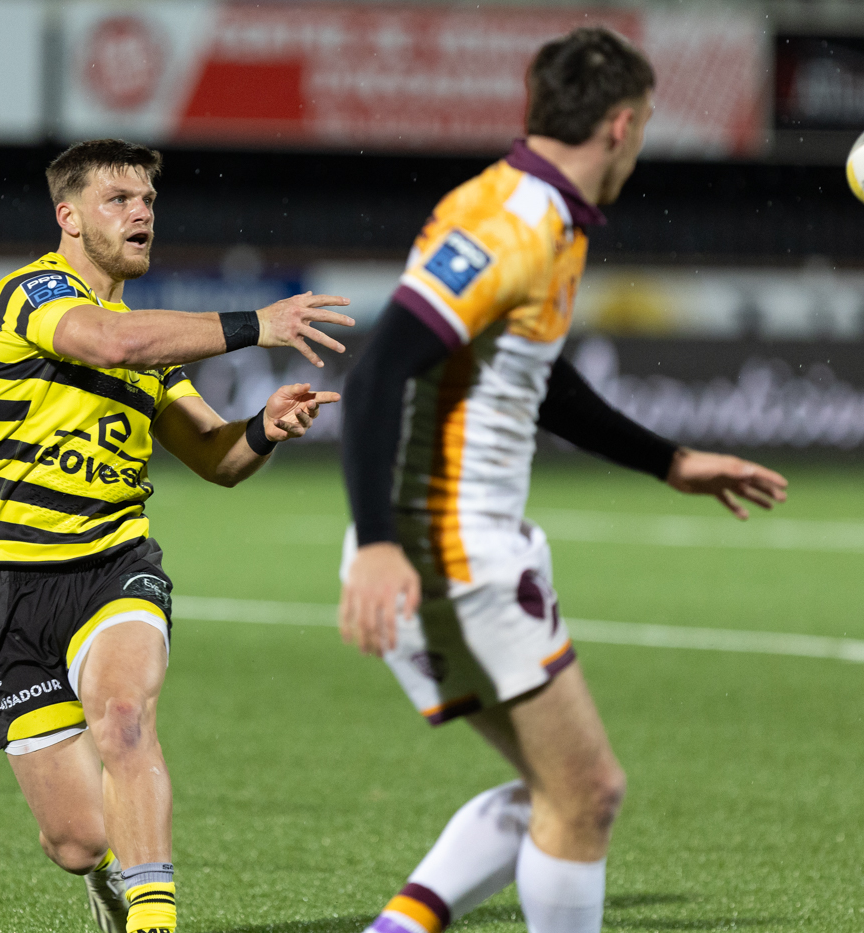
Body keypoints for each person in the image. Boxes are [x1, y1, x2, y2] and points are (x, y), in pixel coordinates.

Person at [338, 28, 788, 933]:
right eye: (649, 125)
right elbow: (378, 367)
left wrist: (670, 461)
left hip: (444, 547)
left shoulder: (530, 209)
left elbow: (535, 377)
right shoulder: (516, 222)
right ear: (621, 124)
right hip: (452, 550)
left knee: (558, 790)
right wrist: (382, 543)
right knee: (587, 794)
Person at [0, 138, 351, 933]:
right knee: (77, 839)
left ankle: (154, 921)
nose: (141, 214)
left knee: (126, 716)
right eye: (118, 200)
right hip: (4, 589)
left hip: (113, 568)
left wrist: (263, 430)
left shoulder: (149, 347)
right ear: (67, 217)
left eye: (148, 202)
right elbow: (107, 343)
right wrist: (255, 324)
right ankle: (104, 878)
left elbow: (217, 457)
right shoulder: (31, 294)